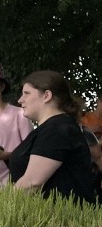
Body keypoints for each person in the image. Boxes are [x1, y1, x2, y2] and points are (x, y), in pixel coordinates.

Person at [9, 70, 97, 203]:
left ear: (46, 95)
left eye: (26, 93)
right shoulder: (51, 128)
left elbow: (32, 182)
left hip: (64, 221)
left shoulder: (57, 130)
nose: (20, 100)